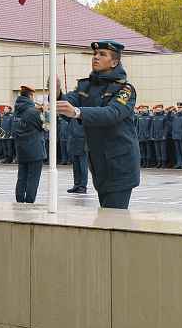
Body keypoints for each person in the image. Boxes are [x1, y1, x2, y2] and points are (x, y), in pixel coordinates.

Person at [56, 41, 140, 210]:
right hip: (99, 163)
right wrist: (56, 93)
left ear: (114, 62)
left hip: (120, 164)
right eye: (95, 54)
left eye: (102, 54)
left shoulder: (125, 89)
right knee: (106, 217)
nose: (95, 57)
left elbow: (112, 113)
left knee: (113, 220)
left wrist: (78, 112)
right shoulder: (85, 86)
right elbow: (68, 104)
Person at [12, 85, 47, 203]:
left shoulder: (16, 111)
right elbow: (46, 127)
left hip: (21, 149)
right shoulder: (33, 112)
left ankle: (20, 200)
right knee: (33, 178)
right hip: (35, 149)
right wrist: (47, 114)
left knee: (22, 177)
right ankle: (29, 201)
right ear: (31, 96)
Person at [66, 110, 89, 194]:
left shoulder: (84, 114)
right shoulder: (72, 115)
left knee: (83, 166)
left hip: (83, 143)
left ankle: (83, 186)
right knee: (76, 166)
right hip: (74, 142)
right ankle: (76, 185)